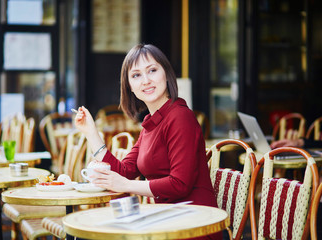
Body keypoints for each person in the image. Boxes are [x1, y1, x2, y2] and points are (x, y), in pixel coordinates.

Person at [75, 44, 221, 239]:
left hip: (194, 223)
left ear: (166, 74)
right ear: (130, 87)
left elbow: (180, 184)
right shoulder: (151, 123)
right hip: (166, 219)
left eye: (152, 70)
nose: (146, 80)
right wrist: (91, 133)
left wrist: (126, 185)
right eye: (136, 75)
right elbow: (124, 171)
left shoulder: (180, 117)